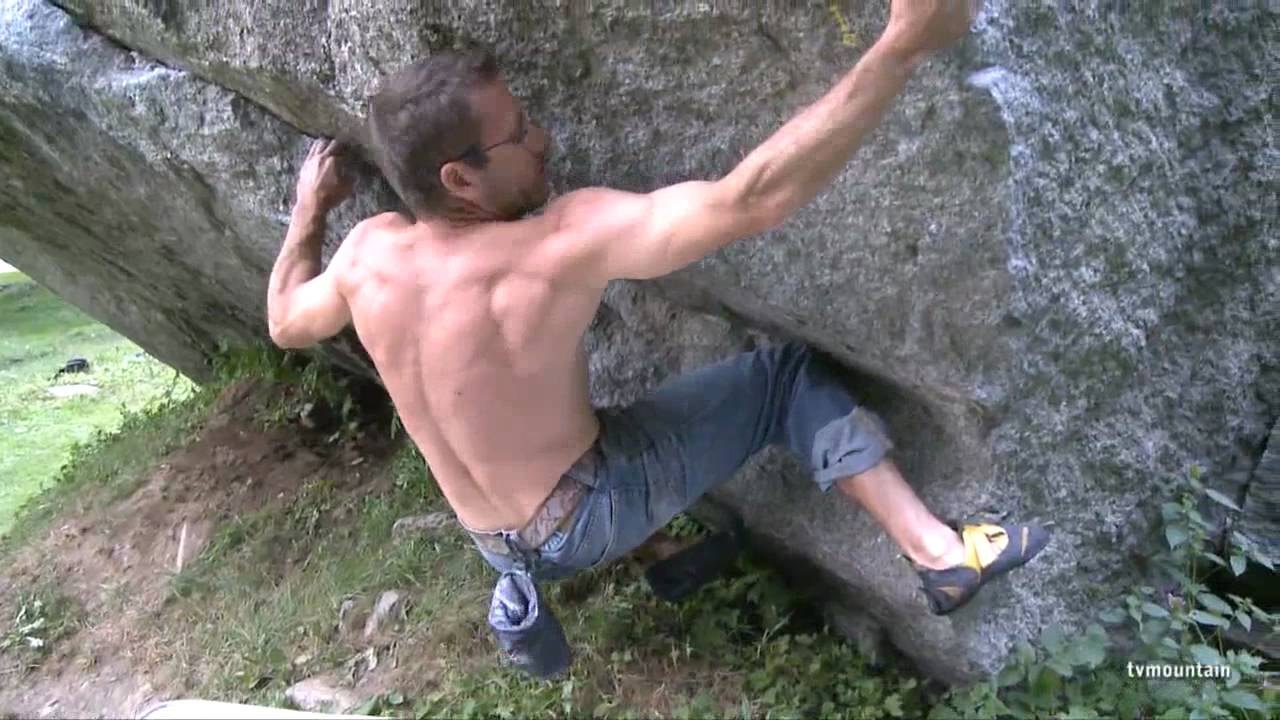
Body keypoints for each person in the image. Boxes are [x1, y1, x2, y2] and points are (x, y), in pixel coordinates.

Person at [267, 0, 1048, 624]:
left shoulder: (365, 256)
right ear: (460, 180)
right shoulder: (558, 244)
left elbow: (283, 321)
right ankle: (939, 554)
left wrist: (307, 213)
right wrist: (904, 43)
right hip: (586, 515)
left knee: (549, 413)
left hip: (498, 546)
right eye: (517, 134)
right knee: (784, 379)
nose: (542, 137)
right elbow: (751, 200)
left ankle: (657, 553)